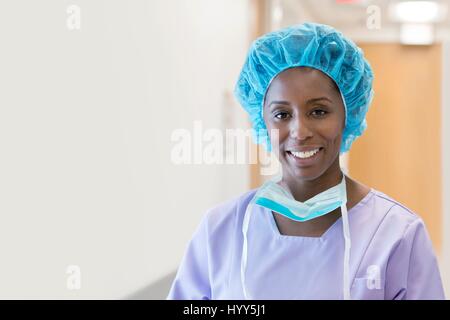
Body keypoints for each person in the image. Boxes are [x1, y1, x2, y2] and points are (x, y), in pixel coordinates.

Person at [167, 22, 445, 300]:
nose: (300, 131)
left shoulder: (396, 234)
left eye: (319, 111)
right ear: (261, 121)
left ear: (348, 115)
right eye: (282, 114)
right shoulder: (221, 230)